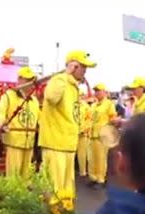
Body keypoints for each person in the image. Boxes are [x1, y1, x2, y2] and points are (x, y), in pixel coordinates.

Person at [39, 50, 95, 197]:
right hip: (55, 143)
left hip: (68, 144)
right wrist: (66, 74)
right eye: (82, 67)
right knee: (54, 187)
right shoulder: (59, 80)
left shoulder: (74, 86)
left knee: (66, 187)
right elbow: (51, 97)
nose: (85, 71)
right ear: (73, 66)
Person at [0, 66, 40, 178]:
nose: (30, 83)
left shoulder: (34, 101)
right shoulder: (9, 96)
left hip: (29, 143)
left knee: (27, 176)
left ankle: (24, 195)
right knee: (13, 176)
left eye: (32, 80)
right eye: (27, 80)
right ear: (19, 80)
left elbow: (40, 119)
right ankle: (12, 195)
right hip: (14, 142)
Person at [89, 83, 117, 188]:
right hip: (92, 135)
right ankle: (93, 178)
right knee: (92, 158)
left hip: (102, 136)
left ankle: (101, 179)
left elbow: (113, 119)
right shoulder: (93, 105)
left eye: (98, 91)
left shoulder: (109, 104)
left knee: (101, 159)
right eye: (95, 91)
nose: (96, 93)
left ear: (104, 92)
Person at [77, 96, 93, 180]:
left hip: (82, 134)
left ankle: (82, 172)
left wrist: (84, 130)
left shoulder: (86, 107)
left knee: (82, 154)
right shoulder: (71, 105)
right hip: (71, 133)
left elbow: (89, 120)